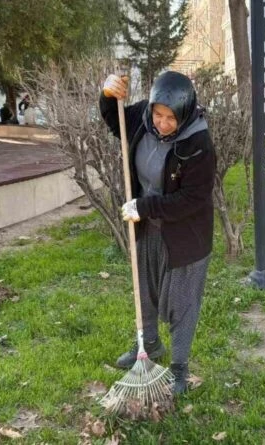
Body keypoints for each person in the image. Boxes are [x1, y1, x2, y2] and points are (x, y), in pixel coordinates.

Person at [100, 71, 216, 394]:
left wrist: (146, 207)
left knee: (182, 302)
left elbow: (193, 199)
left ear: (185, 114)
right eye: (158, 114)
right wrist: (107, 94)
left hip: (186, 235)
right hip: (147, 224)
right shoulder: (143, 118)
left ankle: (179, 368)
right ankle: (149, 344)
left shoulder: (198, 144)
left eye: (170, 118)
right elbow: (115, 121)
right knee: (145, 287)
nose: (162, 123)